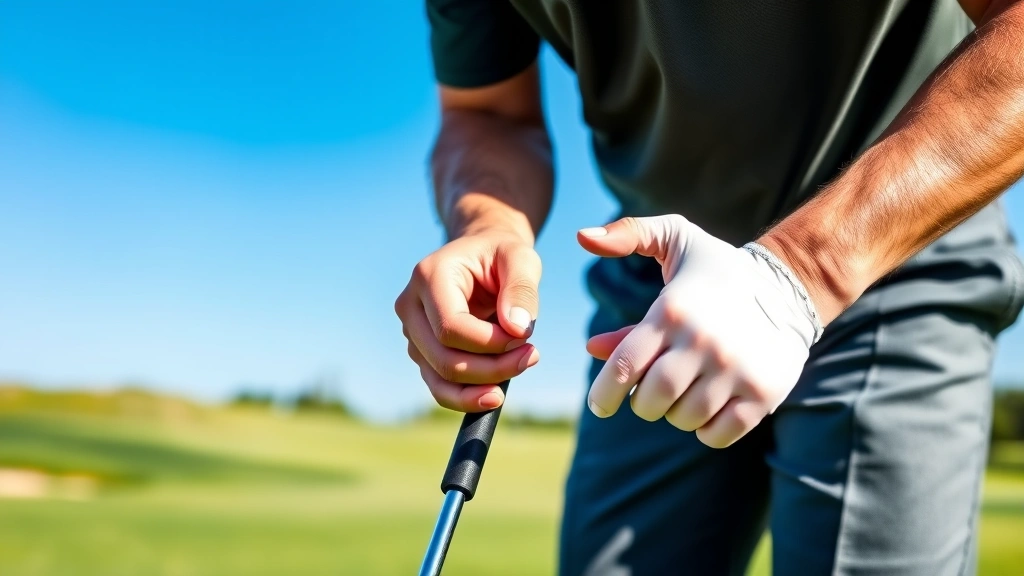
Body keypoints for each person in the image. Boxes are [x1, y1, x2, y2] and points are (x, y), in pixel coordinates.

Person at [395, 1, 1024, 574]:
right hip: (660, 294)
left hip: (895, 248)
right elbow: (488, 112)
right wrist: (489, 222)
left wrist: (801, 271)